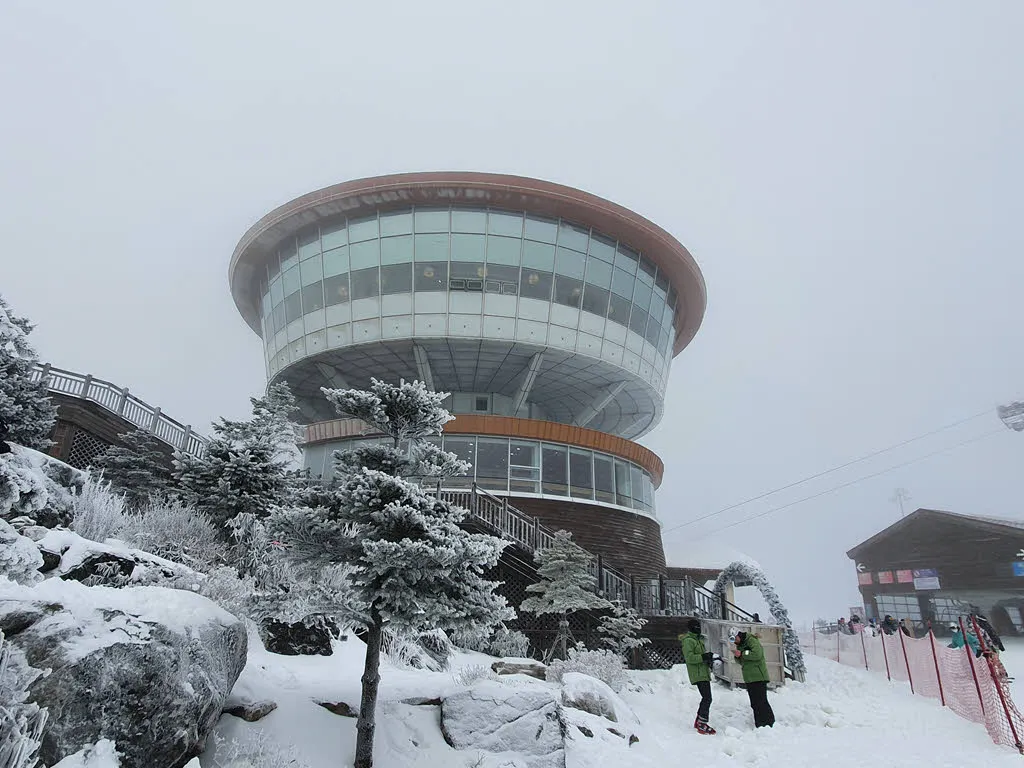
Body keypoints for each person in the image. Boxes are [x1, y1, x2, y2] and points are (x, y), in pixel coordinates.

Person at [680, 618, 717, 735]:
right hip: (698, 673)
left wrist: (708, 660)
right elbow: (690, 658)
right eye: (696, 627)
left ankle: (699, 720)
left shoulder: (698, 640)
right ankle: (702, 722)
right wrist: (703, 657)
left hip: (703, 672)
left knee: (706, 697)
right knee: (707, 698)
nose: (698, 629)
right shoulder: (688, 641)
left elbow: (701, 655)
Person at [733, 630, 776, 728]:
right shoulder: (740, 645)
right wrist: (737, 656)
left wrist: (742, 653)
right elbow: (742, 661)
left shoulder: (752, 640)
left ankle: (769, 723)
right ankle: (760, 724)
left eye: (735, 638)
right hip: (749, 678)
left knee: (761, 701)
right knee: (754, 703)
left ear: (739, 636)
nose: (734, 641)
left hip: (758, 677)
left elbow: (757, 654)